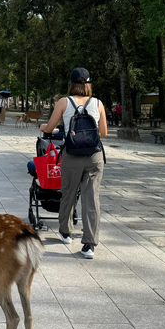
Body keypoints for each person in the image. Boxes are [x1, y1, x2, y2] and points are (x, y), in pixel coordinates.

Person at [40, 67, 107, 259]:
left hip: (72, 154)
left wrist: (42, 126)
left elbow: (50, 128)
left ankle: (66, 232)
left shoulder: (63, 102)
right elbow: (103, 133)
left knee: (68, 193)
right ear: (88, 84)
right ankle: (89, 245)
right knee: (91, 198)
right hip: (94, 156)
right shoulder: (98, 103)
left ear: (71, 84)